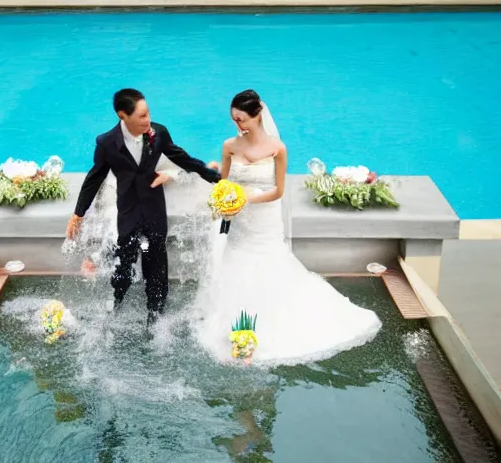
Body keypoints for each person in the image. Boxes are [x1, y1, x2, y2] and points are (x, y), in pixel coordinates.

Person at [192, 89, 382, 364]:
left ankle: (268, 325)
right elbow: (224, 180)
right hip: (240, 221)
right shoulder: (229, 146)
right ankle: (238, 328)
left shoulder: (277, 149)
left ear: (258, 116)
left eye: (242, 119)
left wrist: (248, 199)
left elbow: (278, 191)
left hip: (264, 218)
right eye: (234, 120)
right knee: (237, 266)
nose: (238, 125)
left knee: (268, 266)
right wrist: (225, 198)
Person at [66, 88, 221, 326]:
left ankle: (156, 308)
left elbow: (182, 158)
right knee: (124, 255)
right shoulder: (107, 142)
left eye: (148, 113)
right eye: (141, 116)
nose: (147, 120)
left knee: (155, 257)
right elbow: (94, 177)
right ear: (122, 115)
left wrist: (213, 177)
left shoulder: (158, 133)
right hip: (127, 208)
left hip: (153, 205)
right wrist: (78, 214)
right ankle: (118, 298)